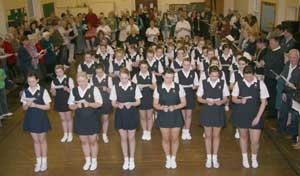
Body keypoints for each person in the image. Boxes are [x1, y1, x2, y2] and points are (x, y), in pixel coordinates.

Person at [231, 65, 269, 168]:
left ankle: (254, 158)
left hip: (255, 115)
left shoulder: (260, 84)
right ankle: (244, 158)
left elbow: (264, 102)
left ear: (254, 74)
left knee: (255, 141)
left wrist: (258, 117)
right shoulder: (239, 83)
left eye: (250, 76)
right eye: (246, 76)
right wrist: (240, 100)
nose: (248, 78)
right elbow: (233, 98)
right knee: (243, 137)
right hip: (241, 114)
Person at [68, 72, 103, 171]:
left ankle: (94, 160)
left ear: (87, 79)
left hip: (92, 119)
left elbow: (99, 104)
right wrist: (76, 106)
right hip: (80, 119)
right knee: (83, 141)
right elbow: (70, 105)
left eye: (83, 81)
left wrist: (89, 104)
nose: (81, 83)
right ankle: (87, 160)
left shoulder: (94, 89)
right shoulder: (74, 90)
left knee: (92, 141)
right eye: (79, 81)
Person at [197, 65, 229, 168]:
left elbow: (225, 98)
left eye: (216, 76)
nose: (215, 77)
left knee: (216, 135)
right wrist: (206, 101)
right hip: (207, 110)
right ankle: (208, 157)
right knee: (208, 136)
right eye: (213, 76)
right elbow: (199, 98)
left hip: (218, 110)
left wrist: (221, 101)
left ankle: (215, 158)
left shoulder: (222, 83)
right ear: (209, 74)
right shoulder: (203, 83)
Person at [153, 68, 186, 169]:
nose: (169, 80)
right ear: (163, 76)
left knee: (175, 139)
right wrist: (162, 107)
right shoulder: (158, 88)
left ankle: (173, 158)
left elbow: (184, 103)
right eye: (167, 77)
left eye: (171, 78)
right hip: (163, 116)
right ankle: (168, 158)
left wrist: (174, 107)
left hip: (176, 115)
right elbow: (155, 104)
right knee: (166, 139)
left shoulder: (178, 87)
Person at [110, 68, 142, 170]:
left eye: (125, 78)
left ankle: (132, 159)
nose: (123, 80)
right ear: (119, 77)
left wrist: (131, 103)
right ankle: (126, 159)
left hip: (132, 114)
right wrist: (117, 105)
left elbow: (138, 102)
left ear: (129, 77)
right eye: (122, 78)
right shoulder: (115, 87)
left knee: (131, 138)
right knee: (123, 138)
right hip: (120, 114)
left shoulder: (134, 86)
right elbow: (113, 103)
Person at [21, 72, 51, 172]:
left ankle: (44, 161)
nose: (31, 83)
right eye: (29, 82)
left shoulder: (43, 91)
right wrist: (27, 105)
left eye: (33, 81)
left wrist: (35, 105)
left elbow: (48, 107)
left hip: (41, 117)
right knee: (35, 140)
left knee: (42, 140)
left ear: (37, 80)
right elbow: (24, 108)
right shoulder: (25, 91)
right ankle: (38, 162)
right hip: (31, 118)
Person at [174, 58, 199, 140]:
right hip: (181, 95)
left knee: (189, 114)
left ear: (190, 65)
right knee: (183, 114)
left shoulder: (193, 73)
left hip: (190, 95)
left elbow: (196, 84)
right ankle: (183, 130)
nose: (186, 66)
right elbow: (176, 85)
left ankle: (187, 130)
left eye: (188, 65)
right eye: (185, 65)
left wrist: (195, 86)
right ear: (182, 65)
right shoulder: (178, 73)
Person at [132, 61, 157, 141]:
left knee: (149, 117)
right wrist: (137, 87)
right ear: (139, 67)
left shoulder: (151, 74)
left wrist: (151, 86)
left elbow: (155, 87)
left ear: (147, 67)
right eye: (142, 67)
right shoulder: (136, 76)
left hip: (149, 97)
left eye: (145, 67)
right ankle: (145, 131)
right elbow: (132, 88)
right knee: (143, 117)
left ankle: (149, 132)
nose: (143, 69)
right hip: (140, 98)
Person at [50, 65, 74, 142]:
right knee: (63, 119)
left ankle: (70, 134)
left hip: (67, 100)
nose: (58, 73)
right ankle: (65, 134)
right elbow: (53, 95)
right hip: (58, 101)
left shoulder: (69, 79)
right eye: (57, 72)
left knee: (69, 118)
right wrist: (53, 92)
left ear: (63, 71)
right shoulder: (53, 81)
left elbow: (73, 92)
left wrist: (67, 89)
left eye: (60, 71)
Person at [90, 64, 113, 143]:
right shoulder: (92, 78)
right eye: (97, 72)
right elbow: (90, 90)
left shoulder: (108, 78)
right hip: (96, 101)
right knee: (96, 118)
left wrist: (106, 89)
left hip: (106, 100)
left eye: (100, 72)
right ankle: (96, 133)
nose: (98, 74)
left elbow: (112, 91)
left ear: (103, 71)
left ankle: (104, 134)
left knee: (105, 118)